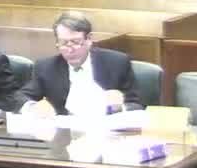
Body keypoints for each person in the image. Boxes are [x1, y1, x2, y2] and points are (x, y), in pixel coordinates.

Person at [13, 11, 142, 116]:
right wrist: (33, 107)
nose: (70, 49)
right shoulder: (46, 67)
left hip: (105, 131)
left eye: (75, 42)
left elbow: (137, 105)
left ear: (89, 39)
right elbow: (20, 97)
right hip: (64, 133)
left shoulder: (117, 62)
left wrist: (119, 107)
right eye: (63, 43)